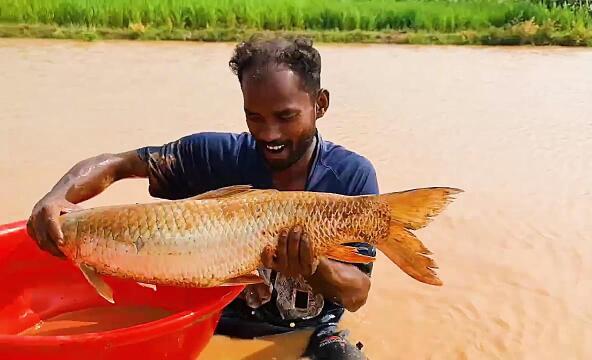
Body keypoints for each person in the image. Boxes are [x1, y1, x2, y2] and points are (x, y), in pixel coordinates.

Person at [27, 36, 377, 360]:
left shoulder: (349, 176)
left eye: (286, 117)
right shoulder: (214, 156)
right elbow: (117, 164)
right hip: (214, 321)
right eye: (254, 117)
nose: (269, 133)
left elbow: (357, 294)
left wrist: (312, 266)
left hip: (309, 328)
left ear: (320, 104)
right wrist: (55, 198)